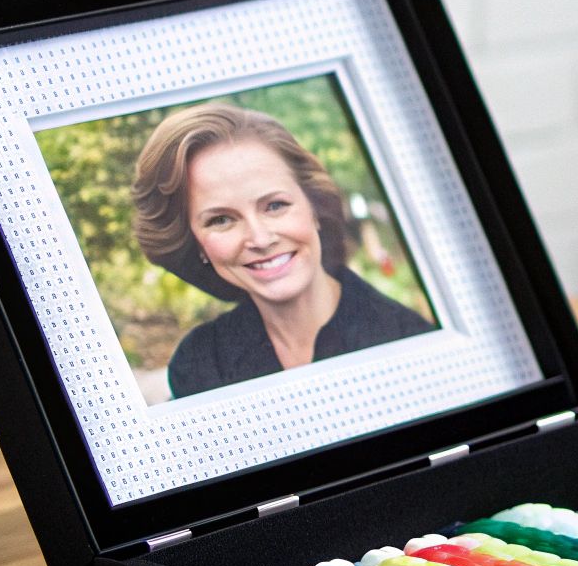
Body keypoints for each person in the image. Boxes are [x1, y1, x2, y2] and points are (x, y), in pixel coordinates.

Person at [132, 103, 433, 399]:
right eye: (221, 219)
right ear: (196, 244)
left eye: (275, 205)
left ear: (314, 207)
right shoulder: (200, 363)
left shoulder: (409, 341)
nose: (260, 239)